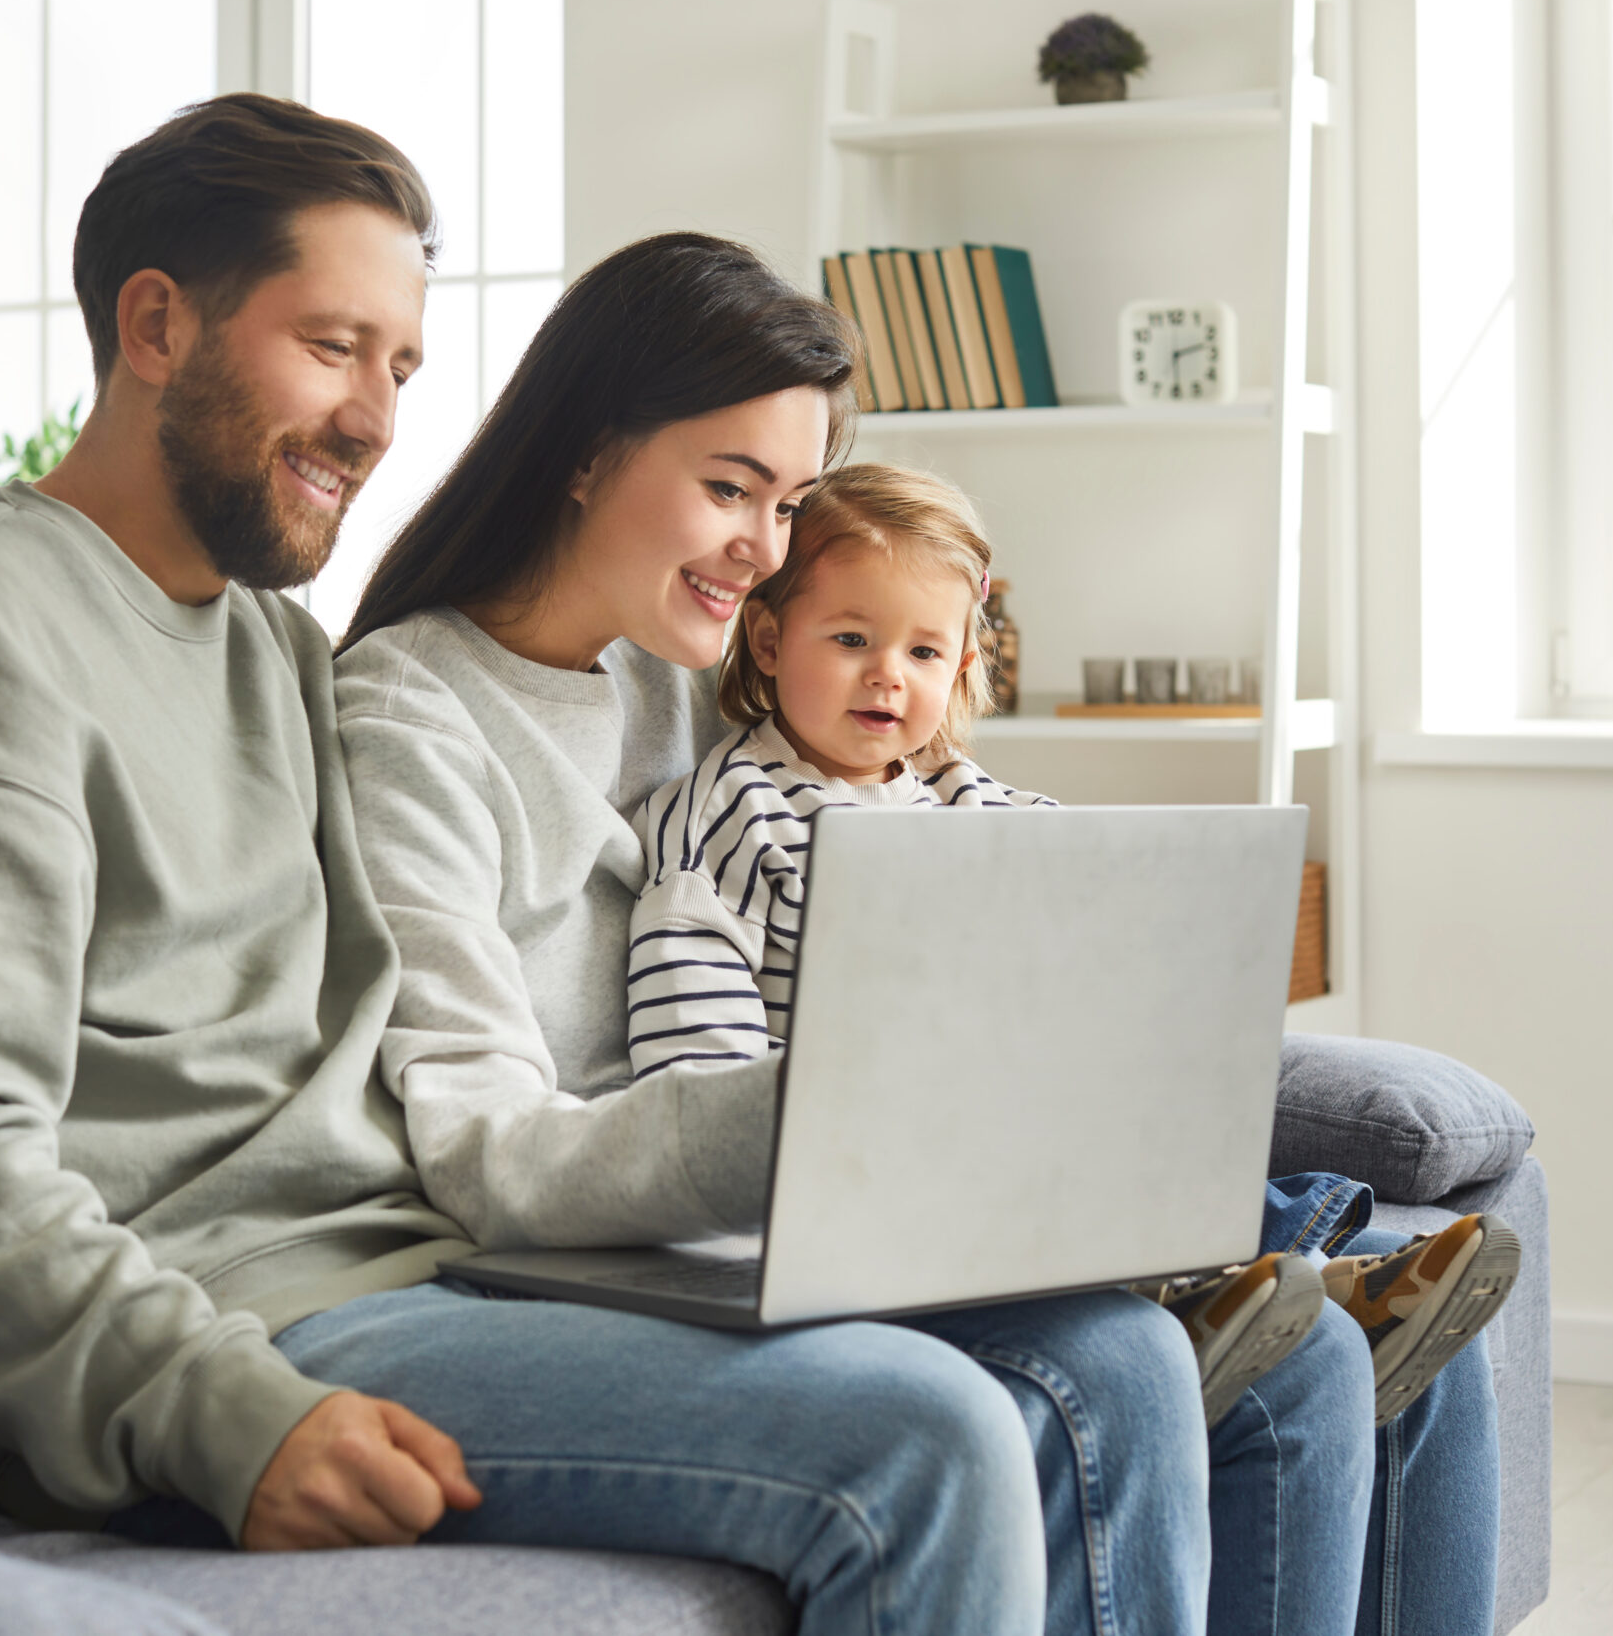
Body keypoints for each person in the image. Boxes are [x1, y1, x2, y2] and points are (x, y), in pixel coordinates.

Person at [0, 92, 1054, 1635]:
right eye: (331, 347)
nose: (377, 418)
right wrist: (219, 1409)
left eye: (400, 366)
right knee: (923, 1432)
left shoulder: (270, 645)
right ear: (156, 324)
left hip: (427, 1280)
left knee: (1076, 1355)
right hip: (262, 1321)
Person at [334, 230, 1500, 1635]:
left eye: (788, 502)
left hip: (827, 1180)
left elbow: (890, 731)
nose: (761, 552)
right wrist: (842, 1099)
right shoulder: (410, 720)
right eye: (728, 488)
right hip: (624, 1234)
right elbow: (486, 1149)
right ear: (585, 450)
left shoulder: (675, 658)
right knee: (1126, 1359)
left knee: (1322, 1353)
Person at [623, 459, 1522, 1432]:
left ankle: (1280, 1282)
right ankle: (1245, 1296)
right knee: (1048, 1170)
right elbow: (695, 1077)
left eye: (925, 653)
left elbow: (1078, 912)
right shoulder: (729, 818)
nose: (888, 673)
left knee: (1136, 1130)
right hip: (856, 1170)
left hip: (1007, 1135)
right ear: (766, 636)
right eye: (850, 639)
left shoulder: (960, 797)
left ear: (962, 665)